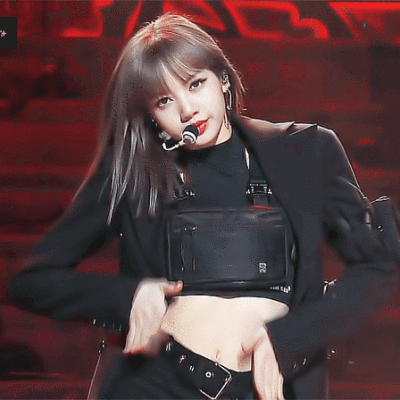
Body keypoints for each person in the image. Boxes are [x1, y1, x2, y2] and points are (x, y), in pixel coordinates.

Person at [8, 13, 398, 400]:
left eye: (195, 84)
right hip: (156, 385)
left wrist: (288, 341)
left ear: (222, 79)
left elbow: (377, 267)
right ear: (151, 115)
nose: (187, 110)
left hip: (267, 390)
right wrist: (128, 296)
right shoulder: (132, 172)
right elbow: (32, 280)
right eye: (164, 100)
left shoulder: (307, 150)